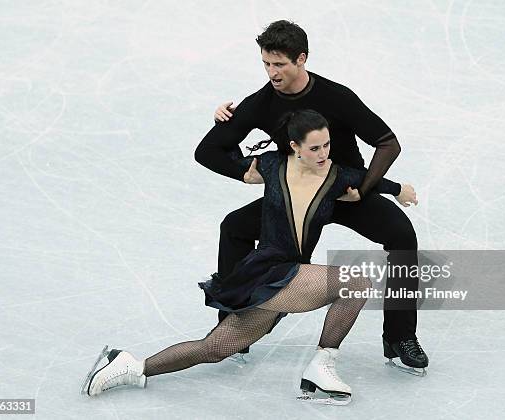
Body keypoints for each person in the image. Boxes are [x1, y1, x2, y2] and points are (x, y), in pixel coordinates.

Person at [82, 110, 405, 404]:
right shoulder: (270, 164)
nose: (323, 154)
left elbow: (368, 181)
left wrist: (399, 189)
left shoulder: (336, 176)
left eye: (326, 145)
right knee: (357, 283)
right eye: (314, 148)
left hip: (280, 275)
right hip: (268, 271)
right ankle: (321, 368)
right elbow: (220, 154)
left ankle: (131, 366)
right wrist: (222, 122)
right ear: (294, 146)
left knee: (214, 349)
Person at [195, 20, 428, 374]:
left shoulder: (337, 97)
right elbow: (208, 150)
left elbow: (387, 143)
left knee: (402, 236)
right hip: (294, 202)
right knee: (235, 227)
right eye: (266, 64)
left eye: (280, 65)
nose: (272, 73)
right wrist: (243, 171)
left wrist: (361, 191)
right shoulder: (259, 103)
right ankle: (233, 326)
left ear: (301, 59)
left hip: (343, 189)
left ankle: (399, 338)